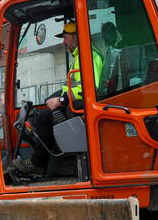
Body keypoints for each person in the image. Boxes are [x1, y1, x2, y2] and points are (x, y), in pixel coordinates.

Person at [20, 21, 103, 175]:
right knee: (44, 112)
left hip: (80, 106)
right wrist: (56, 97)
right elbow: (75, 86)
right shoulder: (80, 56)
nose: (63, 42)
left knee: (44, 118)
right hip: (74, 103)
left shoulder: (88, 57)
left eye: (66, 37)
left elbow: (89, 88)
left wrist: (61, 100)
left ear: (76, 37)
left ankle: (39, 164)